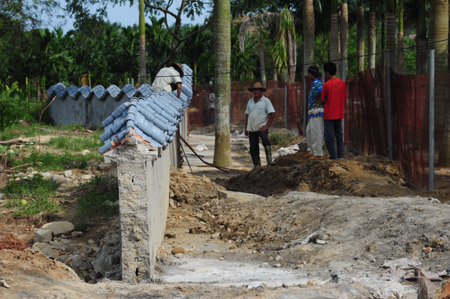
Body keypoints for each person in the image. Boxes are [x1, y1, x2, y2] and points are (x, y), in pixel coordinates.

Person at [245, 82, 276, 167]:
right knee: (253, 147)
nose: (256, 91)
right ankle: (257, 165)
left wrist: (267, 126)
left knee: (266, 142)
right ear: (252, 91)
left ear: (261, 91)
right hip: (251, 128)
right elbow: (247, 115)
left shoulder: (266, 101)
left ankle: (269, 160)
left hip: (262, 126)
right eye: (254, 90)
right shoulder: (250, 101)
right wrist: (246, 128)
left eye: (258, 90)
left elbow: (272, 113)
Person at [321, 62, 346, 159]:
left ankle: (333, 156)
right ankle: (341, 156)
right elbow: (344, 97)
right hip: (339, 113)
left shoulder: (326, 85)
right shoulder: (342, 83)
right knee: (339, 134)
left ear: (327, 73)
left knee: (329, 136)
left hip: (329, 114)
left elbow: (323, 99)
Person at [305, 65, 324, 159]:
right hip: (312, 111)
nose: (308, 75)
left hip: (317, 110)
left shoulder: (317, 83)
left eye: (309, 73)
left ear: (313, 74)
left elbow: (321, 91)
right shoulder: (313, 83)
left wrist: (317, 99)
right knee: (309, 131)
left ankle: (318, 153)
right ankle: (312, 151)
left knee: (316, 132)